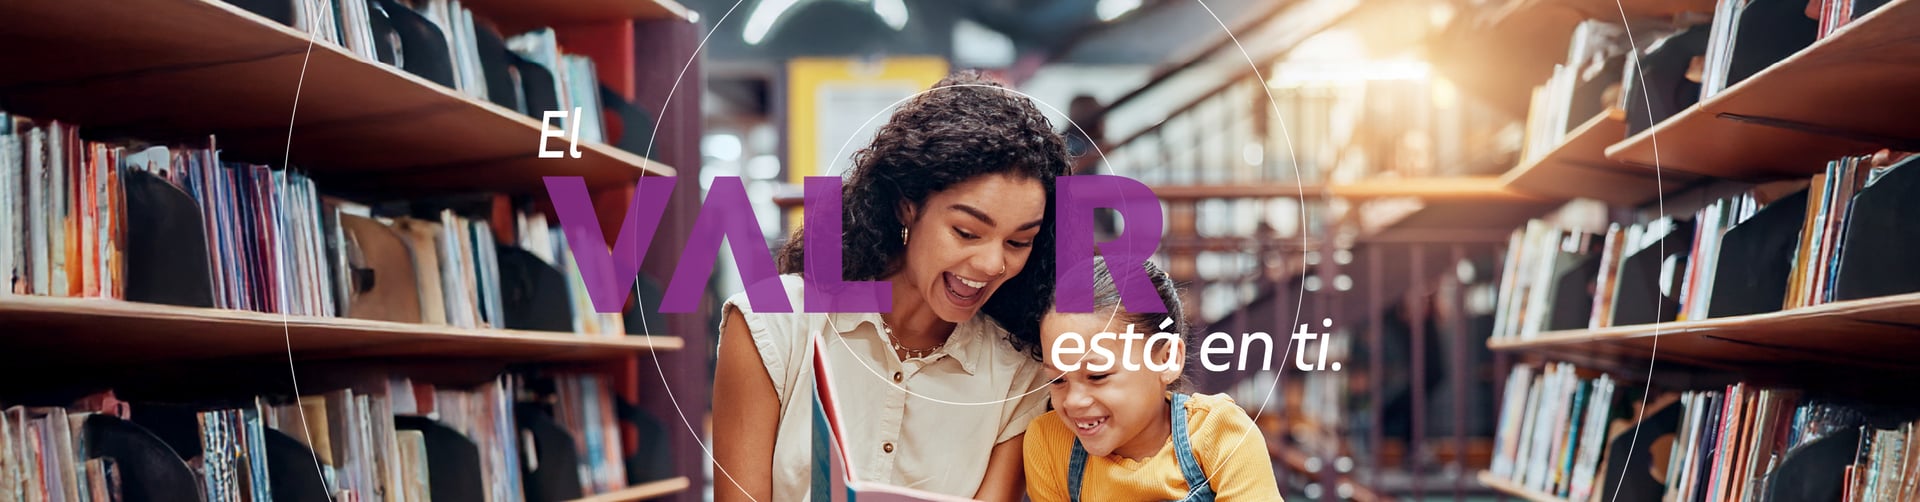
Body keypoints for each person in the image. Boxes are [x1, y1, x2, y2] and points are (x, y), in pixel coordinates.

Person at [712, 71, 1070, 501]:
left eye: (1018, 242)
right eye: (967, 232)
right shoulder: (775, 324)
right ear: (907, 206)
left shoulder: (1019, 374)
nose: (993, 264)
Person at [1023, 258, 1283, 501]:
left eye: (1097, 376)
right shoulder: (1050, 443)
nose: (1073, 401)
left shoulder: (1219, 433)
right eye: (1057, 380)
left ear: (1167, 359)